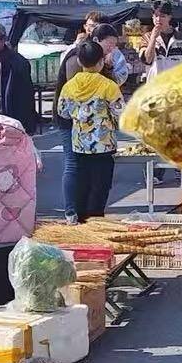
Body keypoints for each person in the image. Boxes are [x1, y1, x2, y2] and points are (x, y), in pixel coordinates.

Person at [54, 25, 122, 222]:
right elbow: (119, 113)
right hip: (103, 147)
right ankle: (96, 222)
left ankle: (80, 220)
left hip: (79, 145)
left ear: (81, 62)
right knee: (99, 188)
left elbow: (63, 112)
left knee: (82, 183)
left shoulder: (70, 86)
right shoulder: (108, 86)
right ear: (101, 62)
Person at [141, 0, 182, 79]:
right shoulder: (147, 37)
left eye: (162, 16)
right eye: (156, 16)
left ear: (169, 17)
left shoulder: (181, 37)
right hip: (156, 87)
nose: (158, 19)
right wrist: (153, 38)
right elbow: (147, 60)